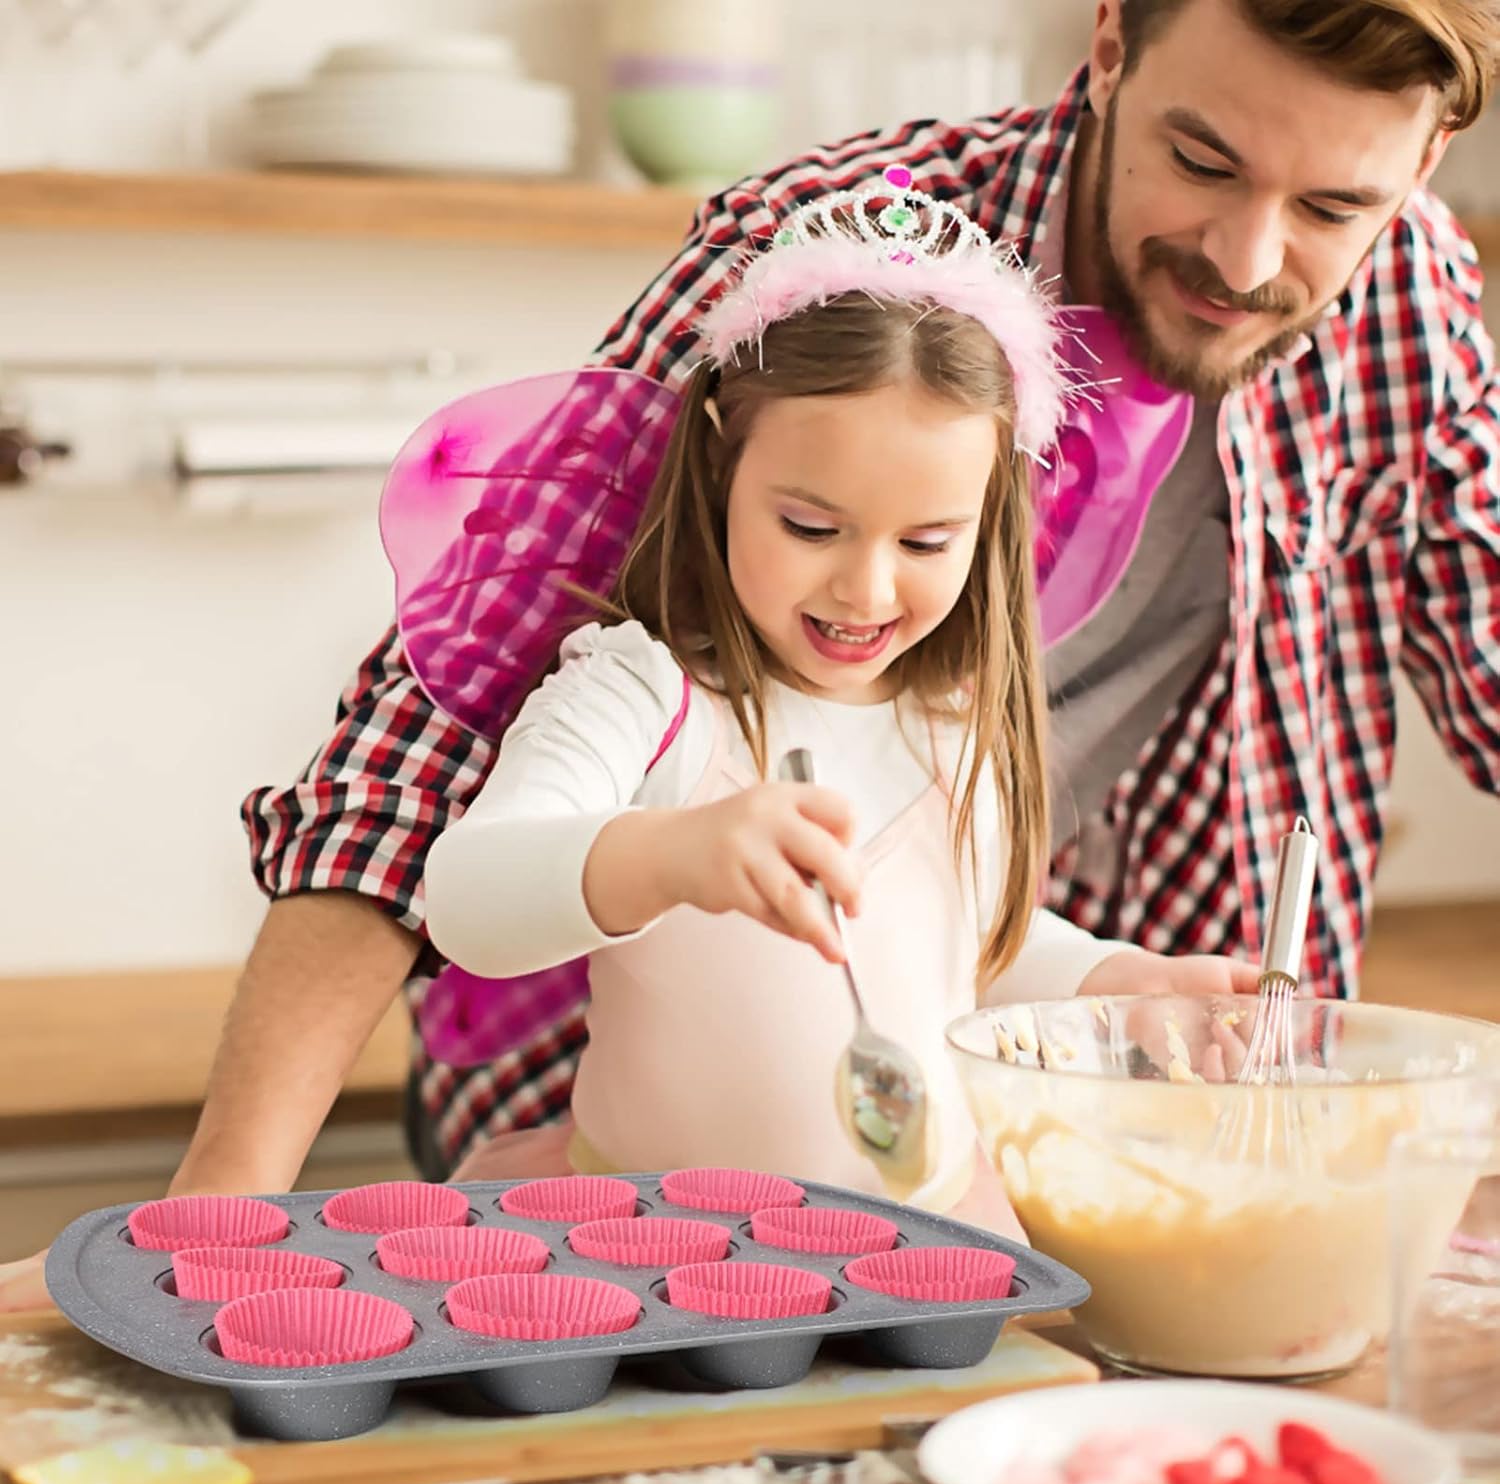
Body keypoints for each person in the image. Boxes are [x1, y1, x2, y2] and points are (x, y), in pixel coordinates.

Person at [4, 0, 1498, 1305]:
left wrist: (1120, 984)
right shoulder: (832, 257)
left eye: (1331, 209)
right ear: (1109, 41)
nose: (1248, 256)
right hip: (634, 1163)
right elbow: (436, 741)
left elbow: (974, 925)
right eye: (1204, 161)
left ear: (1422, 166)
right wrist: (228, 1190)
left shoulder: (1417, 305)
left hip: (1050, 1133)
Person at [412, 172, 1256, 1221]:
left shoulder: (958, 724)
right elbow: (469, 902)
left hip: (927, 1232)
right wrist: (675, 854)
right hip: (659, 1249)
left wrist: (1115, 985)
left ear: (988, 516)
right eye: (811, 529)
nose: (864, 588)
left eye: (926, 542)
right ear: (722, 465)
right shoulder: (645, 694)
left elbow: (961, 952)